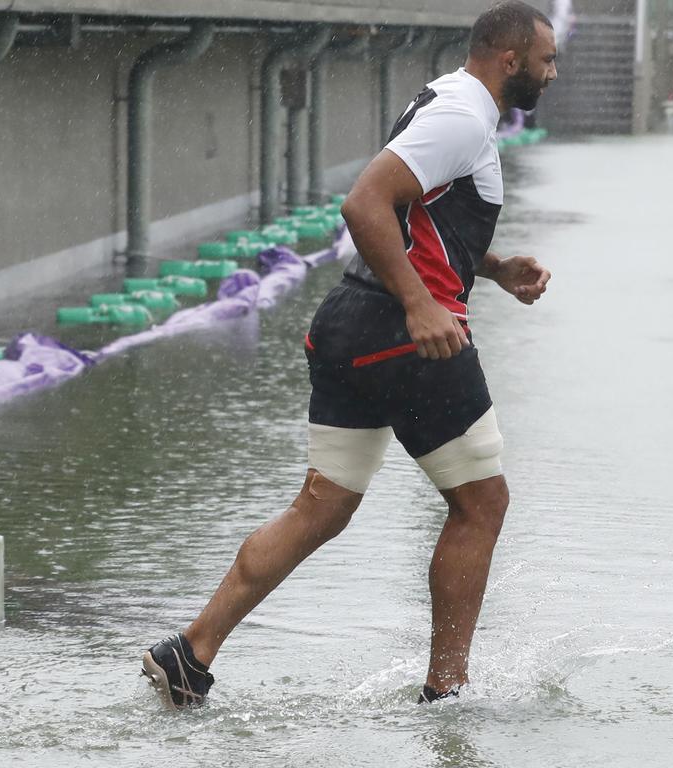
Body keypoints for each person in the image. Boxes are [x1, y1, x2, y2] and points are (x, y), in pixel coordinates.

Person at [142, 0, 557, 708]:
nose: (554, 72)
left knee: (322, 507)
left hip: (350, 326)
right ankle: (446, 692)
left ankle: (190, 651)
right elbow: (366, 204)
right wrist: (423, 304)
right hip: (406, 336)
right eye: (547, 59)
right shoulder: (463, 117)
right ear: (510, 59)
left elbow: (415, 216)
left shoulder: (448, 103)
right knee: (481, 504)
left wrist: (490, 268)